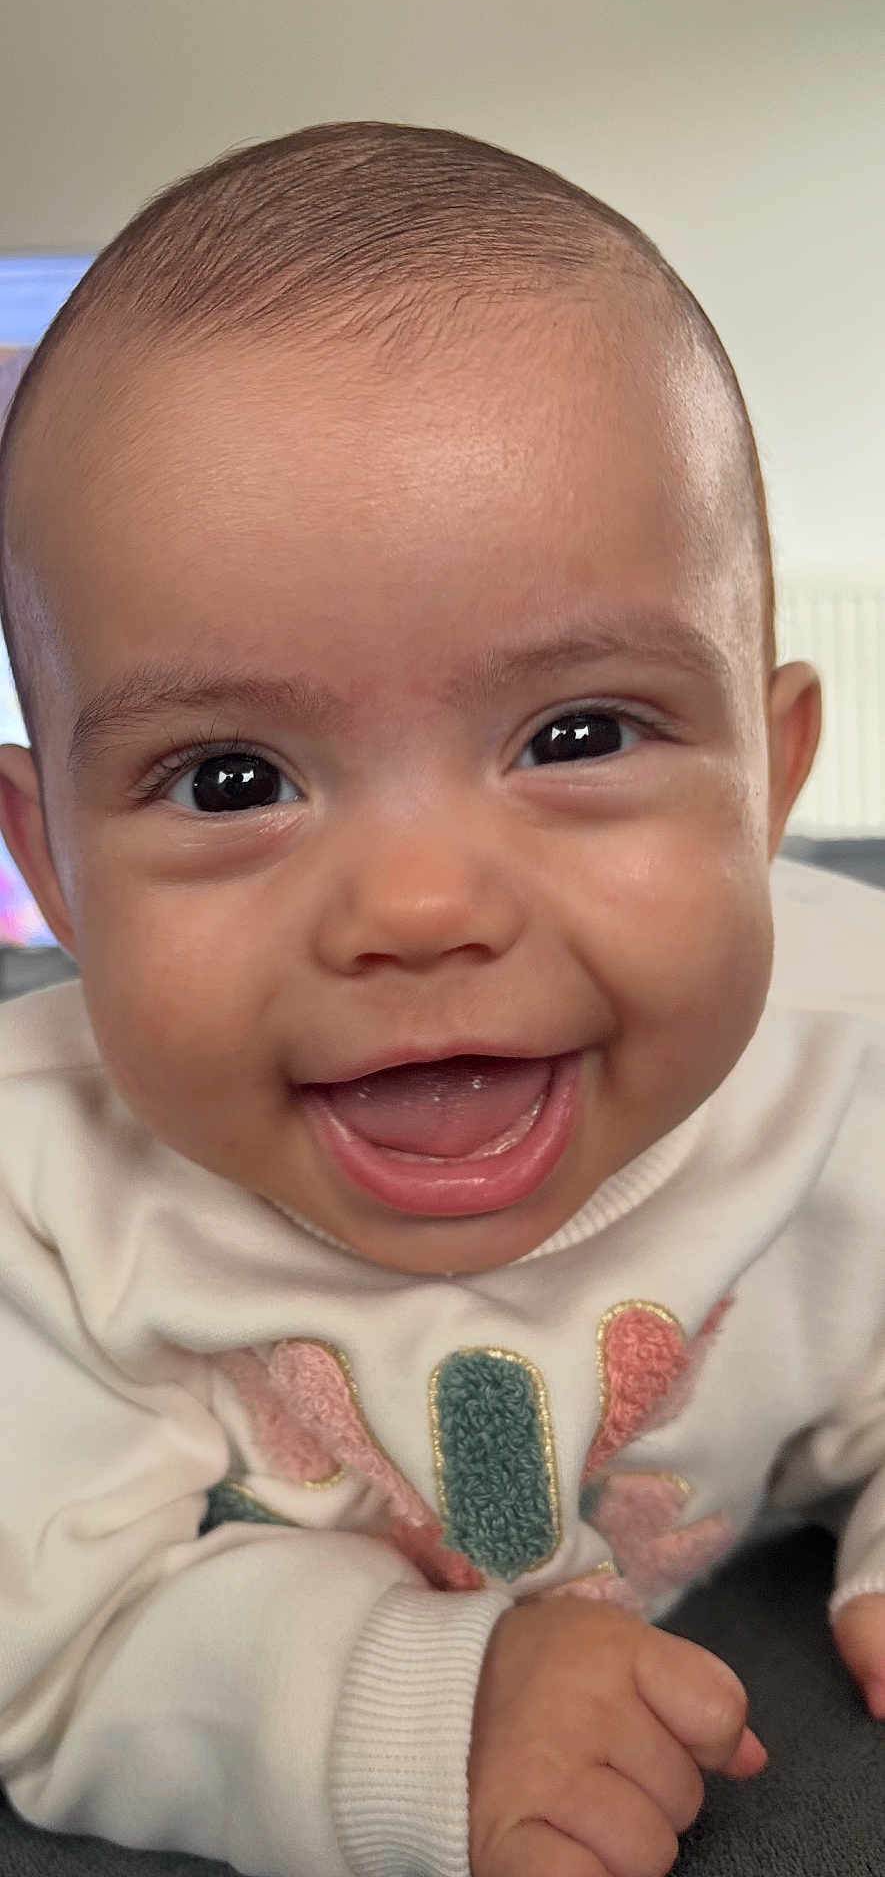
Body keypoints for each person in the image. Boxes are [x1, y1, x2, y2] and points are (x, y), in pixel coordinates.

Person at [0, 121, 881, 1877]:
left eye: (575, 738)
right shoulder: (40, 1195)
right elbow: (50, 1638)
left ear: (770, 781)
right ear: (53, 873)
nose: (418, 909)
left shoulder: (847, 1053)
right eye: (231, 780)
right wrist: (416, 1712)